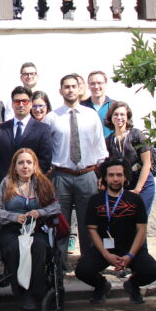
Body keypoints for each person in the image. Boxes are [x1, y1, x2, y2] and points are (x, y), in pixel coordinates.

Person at [76, 158, 156, 304]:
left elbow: (141, 230)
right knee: (82, 270)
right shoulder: (95, 200)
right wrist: (106, 254)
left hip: (130, 249)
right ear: (104, 177)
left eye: (119, 175)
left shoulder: (135, 200)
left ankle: (133, 285)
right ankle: (101, 285)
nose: (115, 179)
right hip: (105, 248)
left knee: (152, 271)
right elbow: (92, 230)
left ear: (125, 177)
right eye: (111, 175)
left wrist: (130, 255)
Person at [44, 73, 108, 257]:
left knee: (89, 223)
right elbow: (47, 150)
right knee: (60, 223)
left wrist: (101, 176)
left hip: (87, 175)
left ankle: (89, 264)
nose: (70, 90)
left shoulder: (91, 115)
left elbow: (100, 148)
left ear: (80, 89)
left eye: (74, 86)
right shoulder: (52, 117)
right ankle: (59, 266)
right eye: (66, 87)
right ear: (60, 90)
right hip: (60, 176)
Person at [0, 148, 61, 311]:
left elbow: (56, 206)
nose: (25, 166)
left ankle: (37, 292)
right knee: (16, 248)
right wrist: (14, 217)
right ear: (14, 166)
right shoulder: (7, 183)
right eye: (20, 162)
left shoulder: (43, 183)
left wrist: (40, 212)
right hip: (11, 229)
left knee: (38, 247)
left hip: (35, 228)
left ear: (34, 165)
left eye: (29, 162)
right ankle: (23, 295)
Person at [0, 86, 54, 183]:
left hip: (32, 185)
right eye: (17, 101)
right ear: (12, 104)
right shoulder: (1, 129)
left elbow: (45, 160)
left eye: (24, 101)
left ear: (30, 104)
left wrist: (28, 178)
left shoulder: (43, 129)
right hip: (6, 184)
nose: (21, 105)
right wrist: (6, 178)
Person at [105, 101, 156, 213]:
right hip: (125, 185)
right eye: (116, 114)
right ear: (111, 117)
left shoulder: (137, 135)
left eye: (122, 114)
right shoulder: (108, 140)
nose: (119, 117)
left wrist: (138, 189)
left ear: (127, 117)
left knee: (139, 219)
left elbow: (147, 163)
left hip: (143, 183)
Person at [81, 70, 113, 137]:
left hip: (110, 146)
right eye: (92, 83)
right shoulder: (81, 107)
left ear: (106, 84)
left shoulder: (114, 106)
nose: (96, 86)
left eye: (99, 83)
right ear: (88, 86)